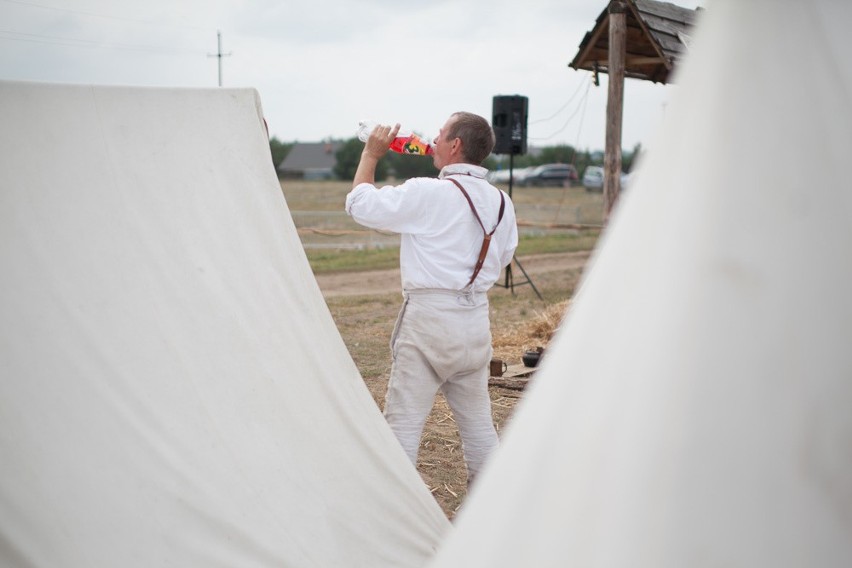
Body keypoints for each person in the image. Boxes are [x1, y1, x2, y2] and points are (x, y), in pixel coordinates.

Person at [345, 112, 518, 486]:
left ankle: (399, 519)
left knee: (403, 425)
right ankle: (489, 514)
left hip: (429, 321)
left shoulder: (428, 191)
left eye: (440, 135)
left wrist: (371, 155)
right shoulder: (502, 202)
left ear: (455, 145)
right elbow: (502, 258)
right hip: (475, 324)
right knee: (478, 427)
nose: (433, 140)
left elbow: (361, 205)